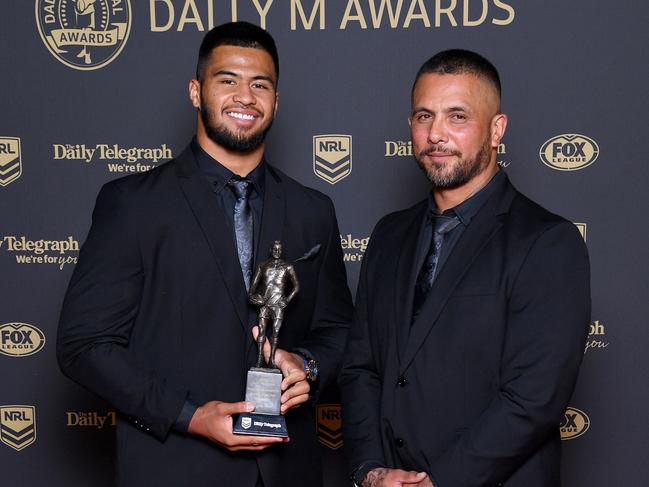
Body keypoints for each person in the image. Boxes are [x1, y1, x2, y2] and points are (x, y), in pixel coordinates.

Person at [57, 21, 353, 487]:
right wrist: (190, 416)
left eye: (260, 84)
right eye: (227, 80)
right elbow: (84, 346)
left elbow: (338, 330)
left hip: (287, 470)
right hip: (175, 468)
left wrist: (309, 366)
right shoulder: (133, 203)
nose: (245, 96)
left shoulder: (313, 210)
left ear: (276, 100)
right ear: (196, 92)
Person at [339, 49, 590, 487]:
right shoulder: (389, 235)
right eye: (423, 116)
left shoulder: (548, 242)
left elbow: (534, 398)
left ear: (496, 130)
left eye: (457, 116)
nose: (436, 134)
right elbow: (362, 368)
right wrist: (372, 471)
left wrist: (438, 481)